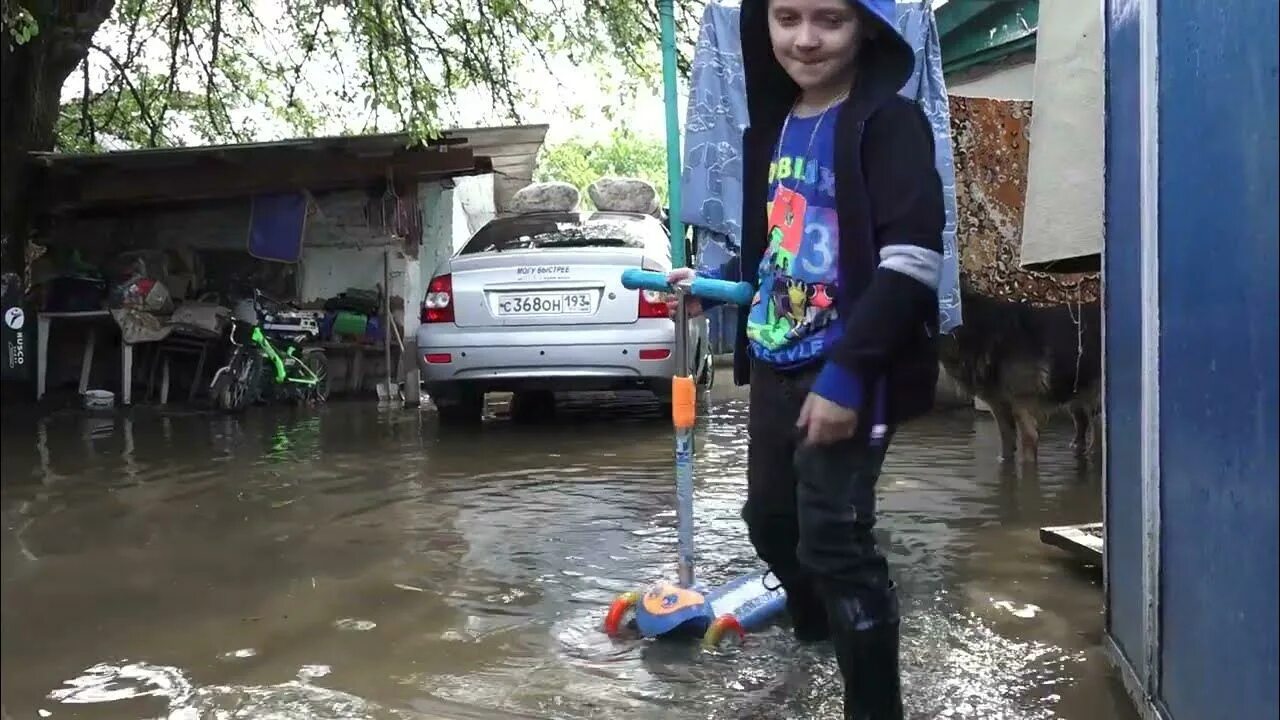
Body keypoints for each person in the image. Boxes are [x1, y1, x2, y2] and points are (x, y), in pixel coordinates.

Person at [667, 0, 944, 717]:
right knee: (769, 521)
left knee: (834, 538)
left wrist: (849, 376)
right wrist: (720, 292)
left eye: (831, 19)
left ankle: (874, 703)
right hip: (778, 359)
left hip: (851, 368)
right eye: (787, 17)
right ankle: (820, 643)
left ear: (867, 29)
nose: (806, 38)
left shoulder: (890, 124)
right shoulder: (775, 127)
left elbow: (912, 263)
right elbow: (784, 263)